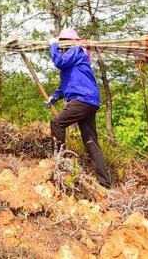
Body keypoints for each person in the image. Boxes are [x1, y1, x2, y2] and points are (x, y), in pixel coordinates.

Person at [46, 28, 111, 189]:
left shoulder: (76, 50)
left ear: (72, 41)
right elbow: (65, 85)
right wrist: (53, 97)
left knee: (57, 123)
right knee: (90, 141)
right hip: (89, 100)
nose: (62, 44)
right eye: (61, 42)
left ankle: (58, 161)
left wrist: (52, 46)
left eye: (64, 41)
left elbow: (59, 62)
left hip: (83, 99)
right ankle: (104, 183)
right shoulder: (73, 58)